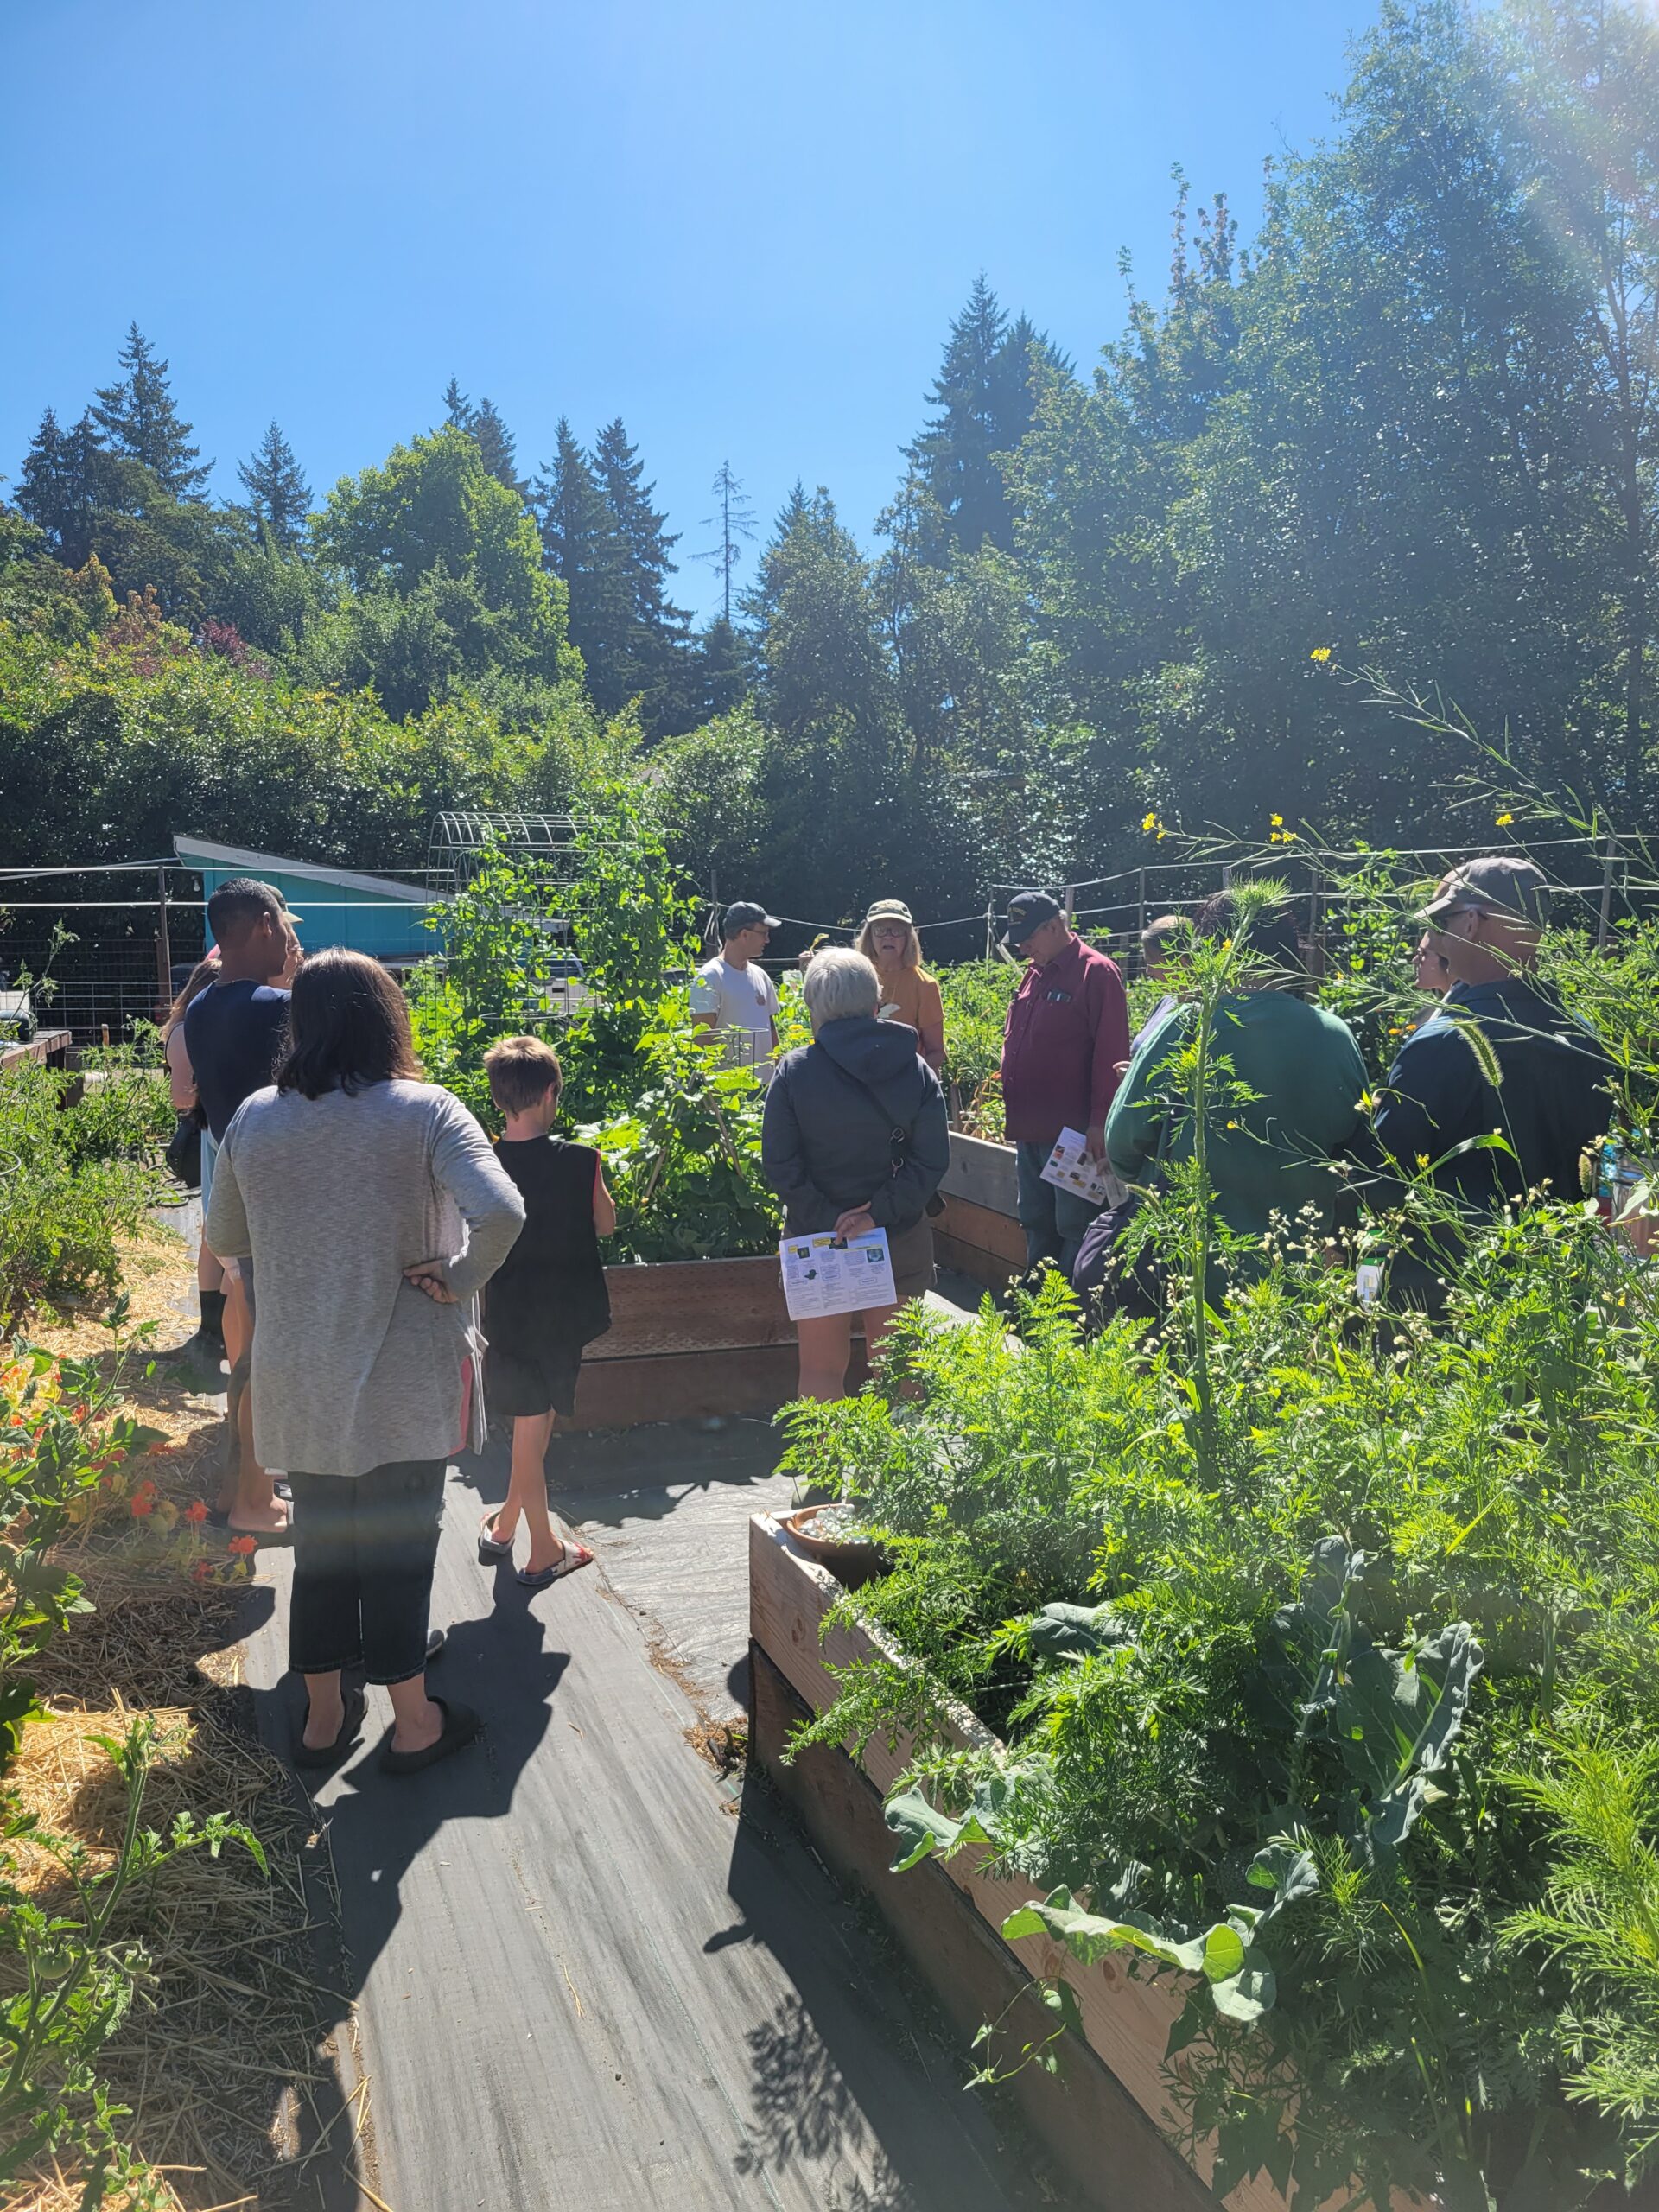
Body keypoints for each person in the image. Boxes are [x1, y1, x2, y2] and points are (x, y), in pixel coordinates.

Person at [205, 948, 525, 1773]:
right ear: (389, 1018)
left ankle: (320, 1717)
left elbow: (229, 1240)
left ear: (300, 1025)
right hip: (404, 1373)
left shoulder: (252, 1118)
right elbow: (503, 1213)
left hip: (296, 1370)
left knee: (321, 1544)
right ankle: (413, 1724)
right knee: (397, 1547)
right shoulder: (428, 1111)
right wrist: (453, 1278)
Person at [1371, 857, 1615, 1307]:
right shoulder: (1586, 1036)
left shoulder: (1443, 1041)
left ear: (1469, 923)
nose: (1436, 937)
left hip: (1454, 1295)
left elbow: (1384, 1169)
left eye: (1441, 921)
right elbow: (1600, 1162)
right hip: (1559, 1288)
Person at [1104, 893, 1368, 1275]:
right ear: (1290, 955)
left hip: (1192, 1265)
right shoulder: (1334, 1035)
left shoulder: (1186, 1025)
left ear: (1210, 952)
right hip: (1299, 1264)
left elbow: (1122, 1144)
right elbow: (1358, 1148)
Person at [762, 947, 949, 1402]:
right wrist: (877, 1214)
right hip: (898, 1234)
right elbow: (931, 1161)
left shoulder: (794, 1072)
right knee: (901, 1371)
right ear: (874, 1002)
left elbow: (780, 1165)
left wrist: (830, 1217)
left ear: (814, 1010)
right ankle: (901, 1470)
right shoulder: (916, 1067)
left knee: (822, 1372)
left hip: (819, 1238)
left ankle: (826, 1472)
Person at [181, 878, 303, 1534]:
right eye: (284, 924)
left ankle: (238, 1487)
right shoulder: (275, 1009)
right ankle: (256, 1499)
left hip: (229, 1192)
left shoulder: (202, 1010)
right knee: (265, 1352)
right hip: (274, 1205)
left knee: (242, 1335)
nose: (290, 938)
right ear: (261, 923)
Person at [476, 1035, 613, 1588]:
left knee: (532, 1422)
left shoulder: (482, 1160)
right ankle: (543, 1550)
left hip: (504, 1312)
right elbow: (605, 1223)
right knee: (536, 1424)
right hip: (562, 1313)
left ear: (497, 1098)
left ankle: (506, 1526)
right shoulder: (581, 1160)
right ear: (551, 1092)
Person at [998, 890, 1132, 1276]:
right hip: (1030, 1129)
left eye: (1028, 937)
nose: (1022, 947)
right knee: (1035, 1218)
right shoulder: (1035, 973)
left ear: (1055, 926)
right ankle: (1039, 1311)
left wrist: (1098, 1122)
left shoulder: (1096, 972)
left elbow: (1111, 1053)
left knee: (1075, 1224)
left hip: (1072, 1134)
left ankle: (1075, 1318)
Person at [160, 950, 222, 1374]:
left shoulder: (195, 1024)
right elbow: (181, 1097)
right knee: (212, 1232)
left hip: (210, 1126)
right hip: (202, 1129)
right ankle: (209, 1326)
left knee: (214, 1231)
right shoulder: (185, 1031)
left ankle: (213, 1326)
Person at [855, 900, 945, 1071]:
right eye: (880, 930)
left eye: (896, 931)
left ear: (908, 937)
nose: (888, 937)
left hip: (907, 1085)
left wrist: (901, 1075)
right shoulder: (855, 979)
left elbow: (936, 1053)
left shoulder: (925, 985)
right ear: (869, 936)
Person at [691, 901, 781, 1073]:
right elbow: (701, 1041)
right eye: (764, 933)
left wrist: (780, 1073)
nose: (767, 940)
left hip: (766, 1089)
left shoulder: (760, 975)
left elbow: (771, 1029)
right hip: (730, 1091)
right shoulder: (711, 976)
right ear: (744, 934)